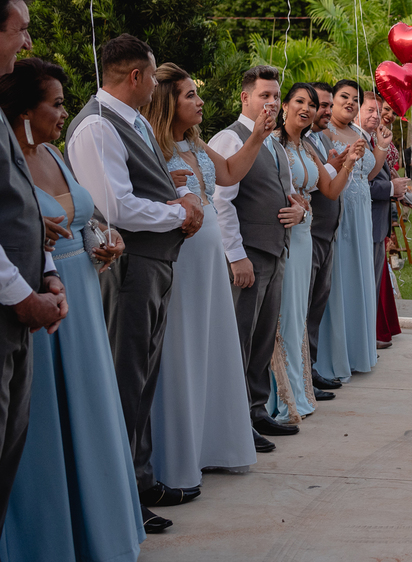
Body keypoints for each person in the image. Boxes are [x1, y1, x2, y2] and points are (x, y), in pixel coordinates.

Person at [0, 58, 144, 554]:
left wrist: (106, 238)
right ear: (25, 111)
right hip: (40, 302)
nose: (66, 113)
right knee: (42, 422)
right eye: (57, 104)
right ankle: (46, 540)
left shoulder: (54, 154)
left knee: (90, 411)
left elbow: (84, 216)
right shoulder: (9, 163)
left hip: (82, 291)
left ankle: (100, 533)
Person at [65, 34, 203, 517]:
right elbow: (115, 207)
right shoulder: (97, 127)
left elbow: (145, 185)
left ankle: (140, 480)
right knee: (125, 379)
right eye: (153, 76)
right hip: (127, 268)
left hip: (153, 263)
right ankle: (119, 501)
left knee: (143, 377)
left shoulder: (133, 121)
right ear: (136, 76)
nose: (157, 87)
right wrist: (180, 213)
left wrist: (180, 198)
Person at [144, 63, 271, 486]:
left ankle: (213, 444)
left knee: (212, 345)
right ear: (168, 102)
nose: (200, 102)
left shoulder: (195, 141)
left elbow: (230, 173)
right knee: (183, 349)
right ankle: (179, 454)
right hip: (180, 257)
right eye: (190, 95)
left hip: (209, 257)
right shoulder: (152, 145)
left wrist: (258, 136)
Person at [209, 66, 306, 445]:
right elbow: (221, 201)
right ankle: (234, 424)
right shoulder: (229, 139)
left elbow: (291, 193)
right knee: (240, 339)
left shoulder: (275, 143)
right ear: (245, 98)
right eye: (264, 95)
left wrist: (299, 211)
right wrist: (236, 255)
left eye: (276, 96)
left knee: (263, 339)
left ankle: (256, 410)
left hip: (275, 251)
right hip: (249, 255)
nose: (272, 102)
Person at [0, 0, 66, 529]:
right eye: (19, 30)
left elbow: (19, 206)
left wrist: (46, 271)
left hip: (21, 313)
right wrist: (22, 295)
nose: (27, 42)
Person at [269, 83, 360, 426]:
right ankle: (280, 396)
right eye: (299, 102)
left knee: (299, 314)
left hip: (305, 235)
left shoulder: (307, 146)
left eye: (310, 104)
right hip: (286, 235)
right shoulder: (272, 144)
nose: (306, 109)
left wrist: (349, 163)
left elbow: (330, 190)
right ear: (285, 106)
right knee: (285, 315)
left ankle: (299, 391)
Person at [315, 80, 384, 382]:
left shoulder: (358, 132)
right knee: (340, 278)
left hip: (361, 212)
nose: (350, 103)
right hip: (339, 210)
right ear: (331, 100)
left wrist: (380, 147)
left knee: (360, 274)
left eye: (355, 99)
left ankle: (359, 352)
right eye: (344, 96)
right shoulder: (322, 133)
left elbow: (368, 173)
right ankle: (335, 355)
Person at [306, 82, 348, 398]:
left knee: (317, 306)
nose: (326, 111)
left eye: (328, 105)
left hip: (326, 234)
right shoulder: (294, 142)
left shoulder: (319, 140)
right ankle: (302, 375)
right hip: (308, 234)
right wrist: (333, 167)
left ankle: (311, 368)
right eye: (321, 105)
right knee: (304, 306)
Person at [357, 92, 403, 351]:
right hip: (365, 221)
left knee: (374, 283)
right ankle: (366, 337)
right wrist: (391, 188)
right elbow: (363, 184)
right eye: (371, 110)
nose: (378, 115)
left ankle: (370, 335)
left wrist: (396, 188)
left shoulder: (374, 138)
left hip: (378, 221)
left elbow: (377, 174)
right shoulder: (357, 141)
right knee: (367, 284)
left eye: (380, 110)